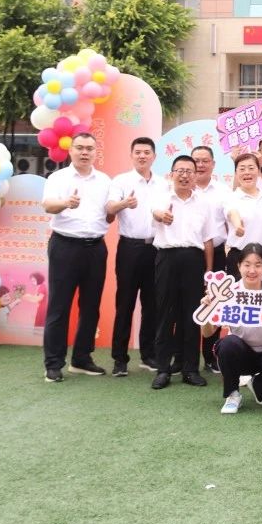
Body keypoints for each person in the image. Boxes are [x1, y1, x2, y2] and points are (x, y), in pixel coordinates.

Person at [40, 133, 112, 382]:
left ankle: (81, 359)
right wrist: (65, 202)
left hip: (95, 248)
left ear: (95, 152)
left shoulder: (104, 180)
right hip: (65, 246)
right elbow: (48, 205)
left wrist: (121, 206)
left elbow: (109, 212)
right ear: (70, 151)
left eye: (89, 148)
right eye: (79, 148)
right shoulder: (58, 177)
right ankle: (53, 363)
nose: (84, 152)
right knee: (59, 306)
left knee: (91, 306)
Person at [200, 243, 262, 414]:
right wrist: (207, 311)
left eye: (258, 265)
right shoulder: (227, 292)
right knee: (227, 344)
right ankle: (232, 394)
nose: (252, 270)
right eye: (247, 265)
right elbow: (207, 333)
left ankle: (259, 385)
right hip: (240, 351)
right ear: (239, 266)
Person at [150, 155, 216, 390]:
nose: (185, 175)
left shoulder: (204, 203)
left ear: (195, 175)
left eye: (190, 171)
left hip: (194, 259)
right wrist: (160, 215)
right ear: (171, 174)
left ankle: (190, 369)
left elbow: (208, 239)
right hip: (167, 258)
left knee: (192, 315)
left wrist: (209, 271)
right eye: (180, 171)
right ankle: (163, 369)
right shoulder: (160, 197)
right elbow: (155, 213)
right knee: (165, 314)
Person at [105, 137, 162, 377]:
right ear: (131, 155)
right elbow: (109, 209)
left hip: (156, 248)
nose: (142, 156)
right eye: (138, 152)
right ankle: (120, 359)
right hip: (130, 248)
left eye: (146, 152)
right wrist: (124, 203)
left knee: (152, 305)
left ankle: (149, 355)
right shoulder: (121, 181)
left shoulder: (163, 183)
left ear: (154, 156)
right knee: (125, 303)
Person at [191, 144, 229, 373]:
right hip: (189, 252)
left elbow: (230, 221)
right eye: (196, 160)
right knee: (188, 303)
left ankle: (211, 355)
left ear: (213, 164)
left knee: (214, 303)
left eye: (205, 160)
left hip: (217, 254)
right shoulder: (182, 189)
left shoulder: (223, 191)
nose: (200, 165)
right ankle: (185, 356)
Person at [224, 153, 262, 280]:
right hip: (239, 258)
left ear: (258, 171)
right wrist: (238, 226)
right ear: (236, 173)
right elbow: (233, 213)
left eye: (251, 168)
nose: (247, 172)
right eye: (242, 169)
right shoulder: (231, 197)